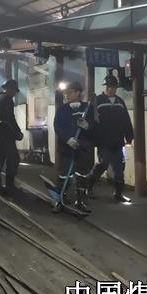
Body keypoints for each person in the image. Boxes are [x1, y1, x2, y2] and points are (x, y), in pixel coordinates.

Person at [86, 74, 134, 203]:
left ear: (116, 88)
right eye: (108, 86)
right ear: (104, 87)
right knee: (104, 163)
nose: (110, 89)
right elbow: (91, 119)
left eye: (112, 86)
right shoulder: (97, 101)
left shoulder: (120, 102)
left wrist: (129, 136)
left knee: (120, 166)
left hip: (118, 141)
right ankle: (88, 186)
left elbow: (126, 120)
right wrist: (92, 137)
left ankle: (118, 193)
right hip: (103, 141)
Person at [53, 81, 95, 213]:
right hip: (67, 148)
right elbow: (58, 126)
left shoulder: (87, 108)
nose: (66, 95)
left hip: (83, 147)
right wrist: (67, 139)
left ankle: (80, 201)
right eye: (65, 93)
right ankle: (60, 199)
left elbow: (94, 126)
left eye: (70, 92)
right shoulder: (62, 109)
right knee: (65, 175)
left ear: (78, 93)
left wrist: (87, 126)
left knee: (82, 175)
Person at [0, 79, 23, 195]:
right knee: (14, 159)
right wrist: (17, 132)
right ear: (10, 89)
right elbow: (9, 119)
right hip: (5, 136)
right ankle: (10, 186)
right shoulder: (7, 99)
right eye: (14, 91)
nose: (15, 93)